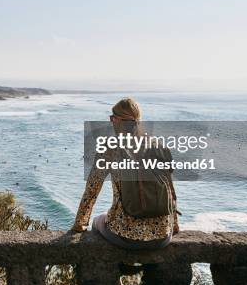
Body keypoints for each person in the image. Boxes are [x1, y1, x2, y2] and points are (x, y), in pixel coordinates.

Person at [71, 97, 179, 249]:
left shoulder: (109, 148)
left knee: (97, 221)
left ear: (119, 120)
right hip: (163, 236)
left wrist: (79, 224)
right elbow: (170, 190)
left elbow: (92, 189)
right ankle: (151, 269)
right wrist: (174, 227)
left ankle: (119, 265)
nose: (111, 122)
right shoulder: (159, 146)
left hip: (126, 236)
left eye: (112, 118)